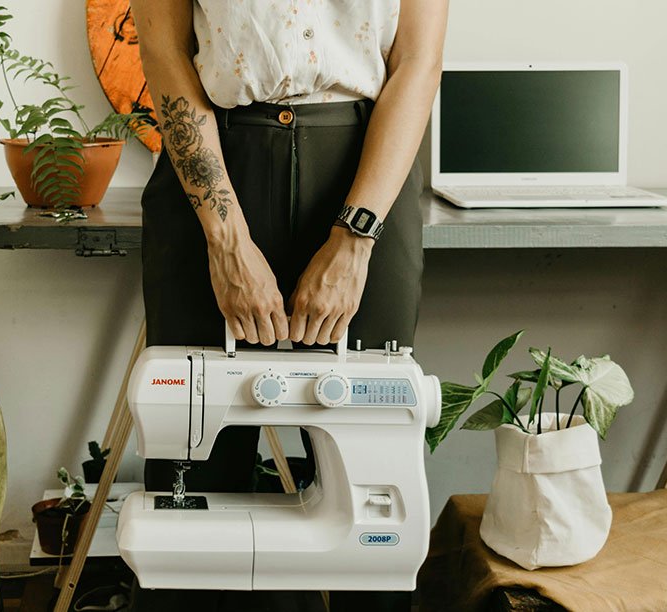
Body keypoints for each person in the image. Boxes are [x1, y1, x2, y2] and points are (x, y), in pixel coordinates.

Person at [129, 1, 448, 610]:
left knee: (374, 487)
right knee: (195, 487)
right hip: (216, 169)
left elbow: (418, 60)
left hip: (365, 172)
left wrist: (355, 238)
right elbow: (165, 51)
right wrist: (225, 239)